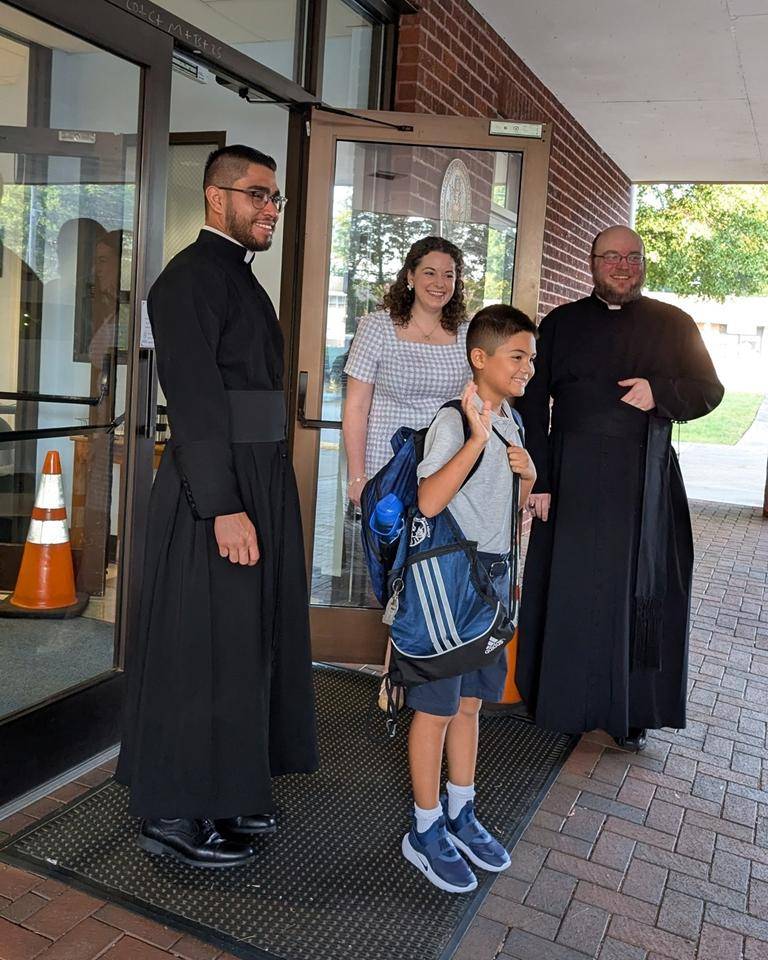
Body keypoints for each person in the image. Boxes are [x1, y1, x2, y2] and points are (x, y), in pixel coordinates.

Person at [116, 145, 318, 867]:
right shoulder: (186, 280)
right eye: (258, 194)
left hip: (255, 479)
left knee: (242, 644)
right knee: (196, 647)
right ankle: (172, 812)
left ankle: (227, 790)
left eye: (275, 198)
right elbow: (196, 402)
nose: (271, 209)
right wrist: (224, 506)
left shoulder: (236, 275)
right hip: (215, 491)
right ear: (215, 195)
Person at [515, 225, 724, 752]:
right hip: (570, 475)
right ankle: (563, 703)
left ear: (644, 263)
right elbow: (532, 404)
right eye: (611, 256)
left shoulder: (674, 323)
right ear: (592, 263)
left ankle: (628, 712)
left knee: (636, 593)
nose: (623, 266)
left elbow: (709, 390)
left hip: (643, 478)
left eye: (633, 257)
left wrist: (661, 391)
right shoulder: (560, 324)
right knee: (569, 587)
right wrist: (538, 477)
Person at [401, 304, 537, 893]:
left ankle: (461, 811)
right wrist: (477, 439)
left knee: (471, 704)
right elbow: (429, 501)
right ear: (480, 358)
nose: (528, 368)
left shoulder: (514, 422)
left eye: (531, 358)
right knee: (435, 708)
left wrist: (528, 478)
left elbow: (510, 510)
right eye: (517, 356)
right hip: (449, 585)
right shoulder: (455, 421)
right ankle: (424, 827)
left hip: (492, 583)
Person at [343, 235, 471, 507]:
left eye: (448, 275)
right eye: (430, 273)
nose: (439, 283)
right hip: (385, 462)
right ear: (411, 276)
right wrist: (356, 476)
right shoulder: (376, 327)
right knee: (386, 535)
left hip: (445, 463)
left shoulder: (467, 334)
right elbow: (356, 406)